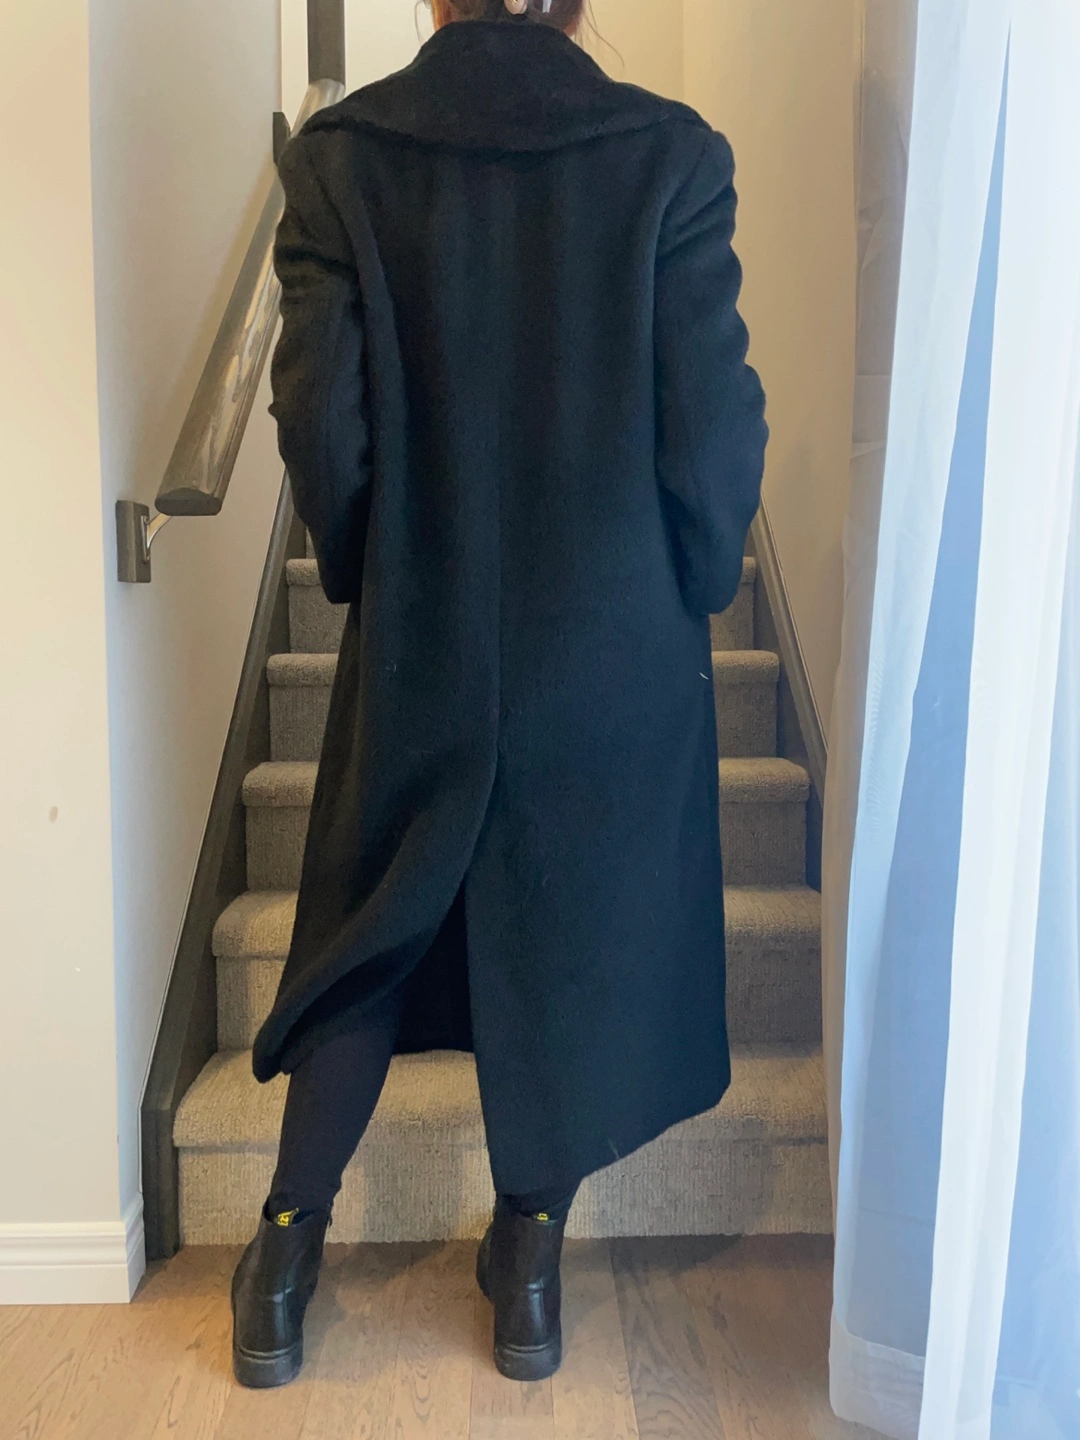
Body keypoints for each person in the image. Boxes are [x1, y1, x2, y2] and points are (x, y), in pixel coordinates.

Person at [230, 0, 767, 1390]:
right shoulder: (669, 156)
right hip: (610, 641)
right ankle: (528, 1263)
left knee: (372, 921)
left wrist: (376, 564)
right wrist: (700, 575)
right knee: (571, 928)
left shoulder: (342, 159)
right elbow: (713, 424)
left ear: (433, 0)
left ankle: (280, 1258)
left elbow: (317, 418)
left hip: (430, 617)